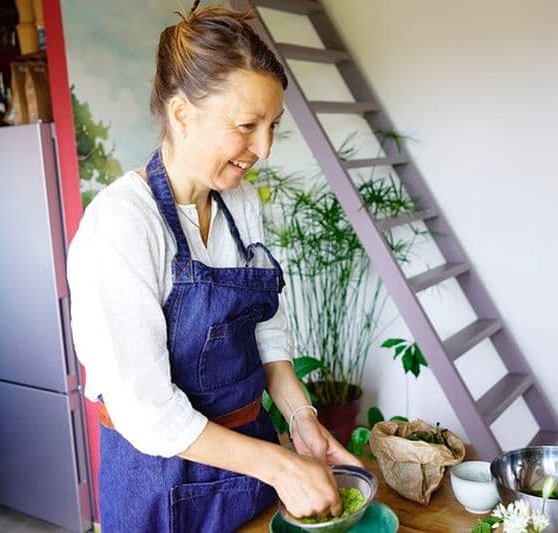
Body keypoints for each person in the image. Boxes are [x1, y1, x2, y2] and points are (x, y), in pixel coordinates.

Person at [66, 4, 362, 531]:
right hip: (162, 484)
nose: (264, 148)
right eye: (248, 125)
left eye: (273, 126)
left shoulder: (240, 203)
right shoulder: (122, 224)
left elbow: (266, 325)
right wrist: (280, 467)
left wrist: (302, 421)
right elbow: (149, 413)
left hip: (250, 465)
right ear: (181, 115)